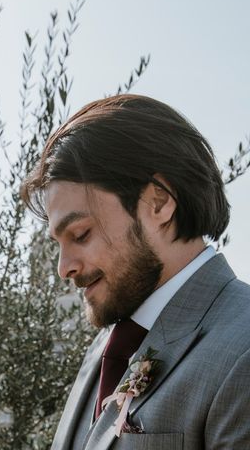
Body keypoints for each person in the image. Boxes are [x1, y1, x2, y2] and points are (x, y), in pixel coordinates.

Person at [21, 94, 250, 449]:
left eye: (81, 234)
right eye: (58, 243)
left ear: (158, 202)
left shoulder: (243, 352)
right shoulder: (109, 345)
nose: (65, 268)